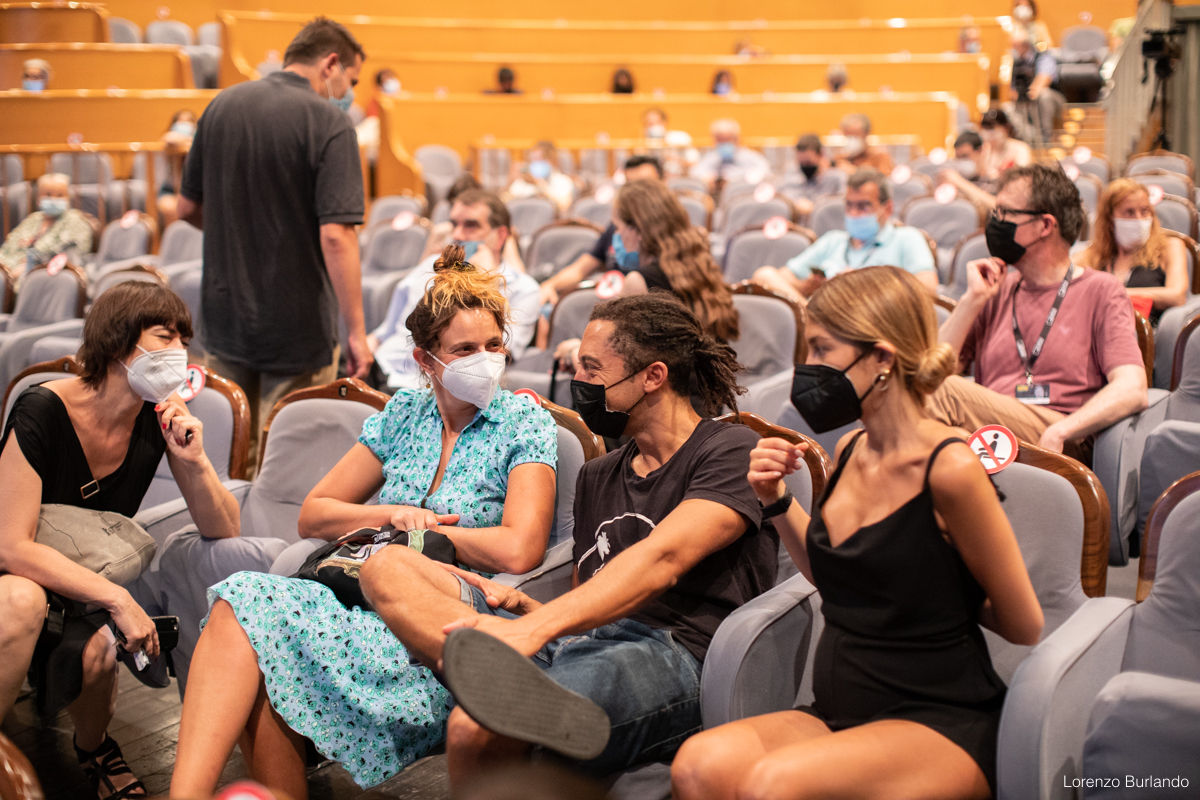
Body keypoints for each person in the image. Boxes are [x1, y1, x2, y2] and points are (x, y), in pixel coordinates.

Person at [170, 248, 558, 798]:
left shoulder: (522, 421)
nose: (486, 360)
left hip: (445, 618)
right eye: (465, 349)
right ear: (427, 361)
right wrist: (391, 515)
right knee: (241, 605)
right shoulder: (405, 414)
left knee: (269, 639)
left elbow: (520, 549)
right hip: (360, 597)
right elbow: (316, 512)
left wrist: (427, 535)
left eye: (494, 345)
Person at [355, 292, 779, 787]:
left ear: (653, 376)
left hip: (670, 651)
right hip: (583, 642)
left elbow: (662, 558)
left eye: (591, 369)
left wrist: (533, 630)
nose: (578, 382)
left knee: (474, 727)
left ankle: (511, 699)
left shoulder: (730, 450)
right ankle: (502, 682)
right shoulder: (599, 474)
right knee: (387, 566)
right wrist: (529, 609)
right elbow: (587, 595)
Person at [671, 266, 1043, 800]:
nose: (808, 366)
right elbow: (829, 573)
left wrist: (938, 587)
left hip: (938, 715)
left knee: (773, 785)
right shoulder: (850, 450)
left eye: (822, 349)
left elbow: (1024, 624)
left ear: (882, 358)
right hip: (839, 707)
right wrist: (775, 499)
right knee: (696, 766)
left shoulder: (951, 467)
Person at [0, 282, 239, 799]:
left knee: (99, 655)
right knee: (21, 601)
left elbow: (224, 528)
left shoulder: (159, 415)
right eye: (165, 337)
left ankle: (95, 749)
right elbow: (11, 547)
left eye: (184, 341)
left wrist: (195, 460)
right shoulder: (41, 409)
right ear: (117, 342)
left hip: (83, 573)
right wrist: (118, 598)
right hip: (19, 571)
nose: (179, 353)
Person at [177, 17, 372, 475]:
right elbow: (337, 235)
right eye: (352, 80)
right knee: (285, 466)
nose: (350, 93)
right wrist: (357, 332)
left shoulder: (221, 105)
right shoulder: (331, 122)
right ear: (331, 64)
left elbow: (186, 207)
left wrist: (236, 230)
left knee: (227, 462)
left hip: (224, 319)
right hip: (297, 328)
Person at [933, 164, 1148, 456]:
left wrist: (1062, 430)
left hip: (1061, 436)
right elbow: (931, 372)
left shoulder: (1102, 290)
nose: (994, 222)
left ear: (1045, 225)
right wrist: (972, 300)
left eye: (1005, 213)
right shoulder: (996, 290)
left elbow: (1133, 388)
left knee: (944, 393)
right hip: (990, 434)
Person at [370, 189, 540, 389]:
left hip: (430, 388)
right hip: (381, 369)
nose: (457, 234)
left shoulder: (525, 289)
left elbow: (495, 354)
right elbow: (384, 333)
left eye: (471, 225)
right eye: (454, 224)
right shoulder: (431, 266)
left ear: (500, 235)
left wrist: (484, 282)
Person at [753, 169, 937, 303]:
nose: (854, 214)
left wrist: (864, 283)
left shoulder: (907, 238)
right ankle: (809, 316)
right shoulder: (833, 240)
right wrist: (803, 287)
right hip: (822, 321)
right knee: (764, 274)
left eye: (863, 206)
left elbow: (928, 288)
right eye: (849, 206)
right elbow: (780, 276)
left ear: (887, 208)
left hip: (874, 326)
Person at [538, 155, 664, 306]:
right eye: (630, 185)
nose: (637, 193)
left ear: (663, 184)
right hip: (614, 304)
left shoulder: (671, 236)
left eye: (646, 185)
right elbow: (581, 268)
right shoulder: (617, 227)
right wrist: (550, 285)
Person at [1078, 179, 1189, 325]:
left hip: (1146, 331)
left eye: (1145, 211)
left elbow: (1177, 296)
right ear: (1110, 219)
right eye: (1129, 212)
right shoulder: (1093, 255)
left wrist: (1113, 292)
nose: (1139, 219)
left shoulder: (1170, 246)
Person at [0, 173, 93, 274]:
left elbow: (69, 255)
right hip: (12, 270)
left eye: (60, 195)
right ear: (38, 198)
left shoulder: (75, 220)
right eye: (48, 194)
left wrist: (27, 266)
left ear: (68, 198)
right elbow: (9, 246)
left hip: (48, 272)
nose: (53, 199)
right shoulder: (33, 219)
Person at [1003, 26, 1064, 146]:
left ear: (1025, 45)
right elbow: (1012, 90)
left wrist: (1029, 94)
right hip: (1024, 100)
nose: (1013, 49)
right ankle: (1030, 139)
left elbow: (1043, 80)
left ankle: (1046, 138)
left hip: (1051, 99)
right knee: (1006, 108)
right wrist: (1017, 96)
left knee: (1044, 95)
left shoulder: (1043, 57)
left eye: (1015, 45)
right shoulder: (1015, 62)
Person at [689, 119, 770, 191]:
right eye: (720, 140)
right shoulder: (710, 158)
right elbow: (695, 175)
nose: (723, 144)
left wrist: (735, 181)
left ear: (737, 139)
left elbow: (765, 174)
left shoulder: (752, 158)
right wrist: (707, 179)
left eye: (727, 139)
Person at [784, 133, 847, 217]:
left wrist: (817, 206)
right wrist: (796, 203)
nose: (805, 166)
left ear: (820, 154)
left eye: (808, 162)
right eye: (801, 162)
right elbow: (783, 196)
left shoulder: (836, 178)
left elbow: (844, 203)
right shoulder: (792, 176)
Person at [506, 141, 577, 213]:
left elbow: (564, 206)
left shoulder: (563, 181)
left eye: (539, 160)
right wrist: (510, 180)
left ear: (553, 161)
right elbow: (507, 201)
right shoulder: (523, 181)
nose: (535, 164)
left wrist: (540, 185)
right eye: (533, 160)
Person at [938, 130, 1000, 211]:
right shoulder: (960, 178)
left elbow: (997, 206)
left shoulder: (995, 179)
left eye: (965, 156)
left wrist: (961, 183)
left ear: (980, 150)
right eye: (958, 158)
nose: (962, 161)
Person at [155, 110, 197, 227]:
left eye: (189, 122)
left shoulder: (199, 144)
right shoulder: (168, 145)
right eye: (181, 122)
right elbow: (168, 139)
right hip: (170, 190)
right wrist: (184, 140)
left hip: (195, 190)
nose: (185, 125)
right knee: (170, 208)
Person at [979, 109, 1033, 180]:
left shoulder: (1020, 149)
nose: (990, 139)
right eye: (986, 134)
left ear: (1005, 130)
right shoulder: (985, 150)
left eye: (993, 134)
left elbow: (1023, 175)